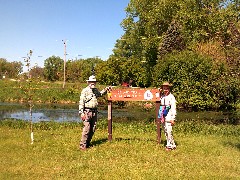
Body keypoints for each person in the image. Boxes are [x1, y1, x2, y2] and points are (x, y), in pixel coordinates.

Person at [79, 75, 111, 150]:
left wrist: (106, 89)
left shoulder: (95, 90)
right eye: (91, 82)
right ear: (88, 82)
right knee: (87, 128)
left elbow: (100, 94)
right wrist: (81, 113)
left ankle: (88, 143)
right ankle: (82, 146)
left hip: (94, 112)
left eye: (94, 82)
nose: (92, 83)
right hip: (86, 111)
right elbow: (81, 102)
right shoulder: (84, 90)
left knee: (93, 128)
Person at [158, 82, 177, 151]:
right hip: (163, 116)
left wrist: (173, 118)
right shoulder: (162, 96)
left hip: (169, 116)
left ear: (169, 89)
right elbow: (159, 101)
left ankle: (170, 145)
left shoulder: (172, 97)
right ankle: (172, 144)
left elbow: (173, 108)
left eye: (167, 88)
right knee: (165, 130)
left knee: (169, 131)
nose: (165, 90)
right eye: (164, 88)